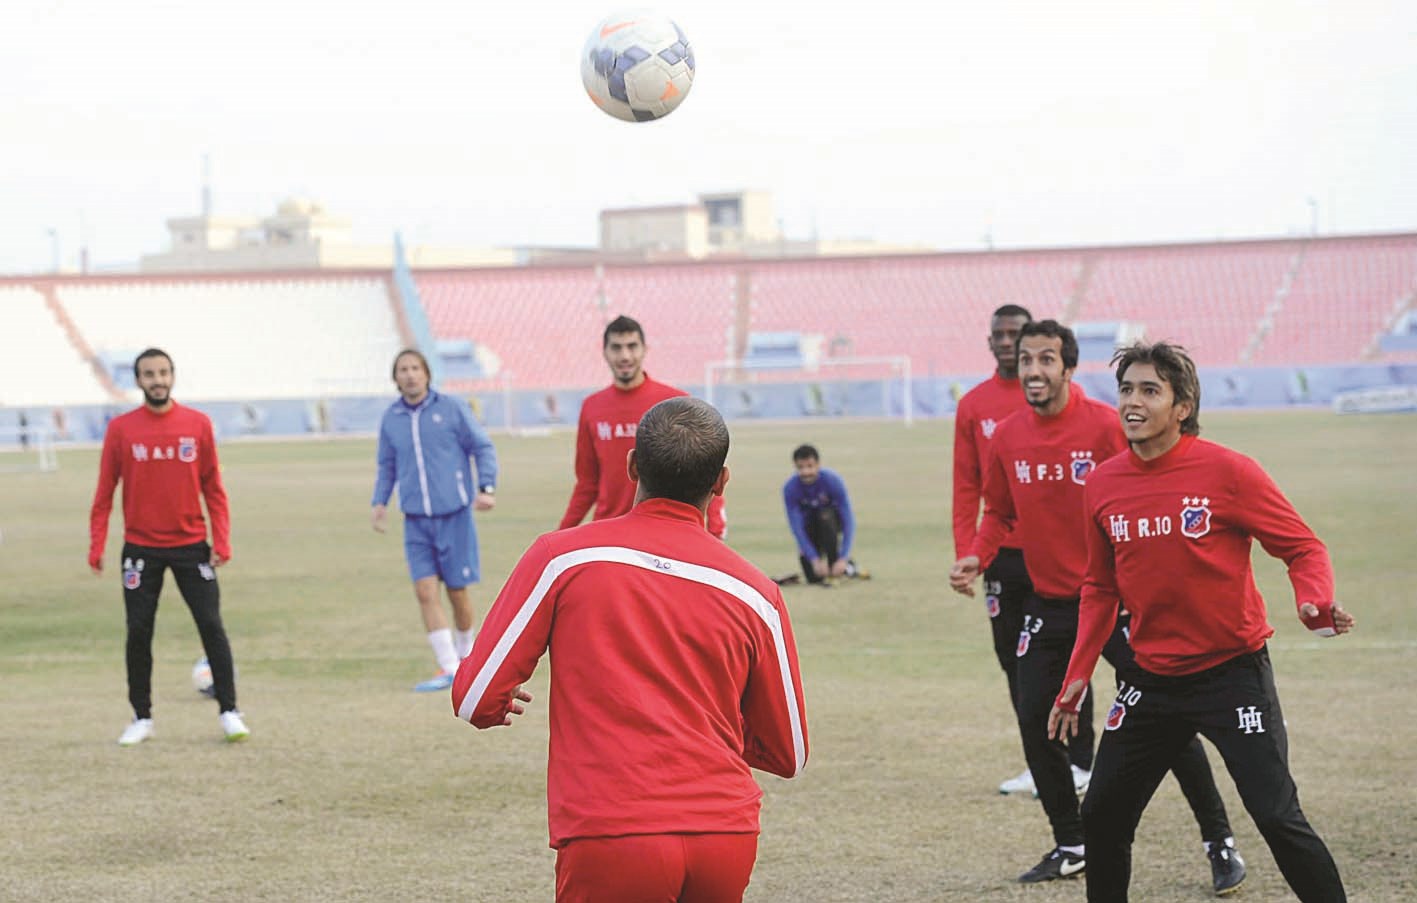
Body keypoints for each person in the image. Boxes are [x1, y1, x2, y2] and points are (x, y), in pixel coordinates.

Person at [453, 397, 807, 903]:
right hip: (725, 835)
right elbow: (788, 751)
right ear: (721, 482)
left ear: (632, 465)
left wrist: (494, 706)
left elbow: (474, 697)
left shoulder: (562, 557)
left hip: (612, 830)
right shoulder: (757, 593)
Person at [1049, 341, 1353, 902]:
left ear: (1182, 405)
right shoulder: (1103, 484)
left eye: (1149, 390)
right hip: (1150, 680)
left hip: (1230, 674)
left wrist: (1314, 602)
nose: (1132, 403)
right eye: (1126, 389)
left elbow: (1304, 548)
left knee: (1276, 816)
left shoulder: (1229, 472)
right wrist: (1076, 676)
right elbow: (1099, 586)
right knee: (1103, 818)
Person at [950, 321, 1242, 892]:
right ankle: (1071, 841)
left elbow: (1153, 483)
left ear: (1068, 367)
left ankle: (1219, 839)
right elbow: (1000, 514)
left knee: (1169, 726)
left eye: (1046, 360)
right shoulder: (1007, 436)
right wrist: (977, 556)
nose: (1034, 370)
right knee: (1035, 719)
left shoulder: (1108, 427)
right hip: (1051, 603)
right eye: (1027, 359)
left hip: (1117, 605)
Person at [951, 303, 1092, 795]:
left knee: (1075, 651)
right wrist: (969, 551)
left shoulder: (1066, 400)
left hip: (1061, 555)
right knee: (1016, 659)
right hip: (1003, 557)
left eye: (1018, 334)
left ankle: (1081, 759)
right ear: (990, 342)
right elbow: (968, 485)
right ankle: (1042, 759)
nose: (1010, 343)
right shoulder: (974, 405)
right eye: (1002, 334)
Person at [88, 348, 249, 745]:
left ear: (172, 376)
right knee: (139, 631)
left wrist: (221, 539)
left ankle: (230, 711)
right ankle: (141, 717)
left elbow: (213, 487)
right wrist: (97, 545)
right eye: (148, 374)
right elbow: (105, 491)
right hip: (141, 549)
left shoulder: (197, 424)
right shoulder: (122, 430)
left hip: (191, 546)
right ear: (138, 380)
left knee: (211, 626)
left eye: (163, 372)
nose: (157, 379)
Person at [372, 348, 498, 692]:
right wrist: (379, 502)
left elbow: (482, 447)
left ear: (427, 373)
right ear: (395, 377)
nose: (410, 374)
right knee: (425, 591)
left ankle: (467, 658)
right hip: (415, 521)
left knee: (457, 593)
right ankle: (448, 668)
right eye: (403, 369)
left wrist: (485, 487)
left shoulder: (451, 408)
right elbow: (387, 464)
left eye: (415, 368)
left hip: (454, 516)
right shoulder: (392, 418)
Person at [559, 315, 726, 539]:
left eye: (632, 346)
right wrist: (560, 534)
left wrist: (714, 528)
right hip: (611, 536)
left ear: (645, 349)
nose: (625, 356)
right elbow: (588, 483)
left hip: (664, 532)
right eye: (616, 348)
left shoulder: (676, 401)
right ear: (605, 352)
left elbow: (704, 470)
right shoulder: (592, 407)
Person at [779, 444, 867, 585]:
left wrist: (843, 557)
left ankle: (837, 565)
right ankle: (845, 568)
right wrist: (814, 559)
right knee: (814, 578)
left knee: (825, 516)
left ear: (818, 465)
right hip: (810, 529)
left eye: (810, 466)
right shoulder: (790, 488)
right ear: (795, 467)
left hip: (830, 525)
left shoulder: (833, 481)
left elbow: (848, 520)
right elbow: (797, 528)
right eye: (801, 467)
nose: (806, 471)